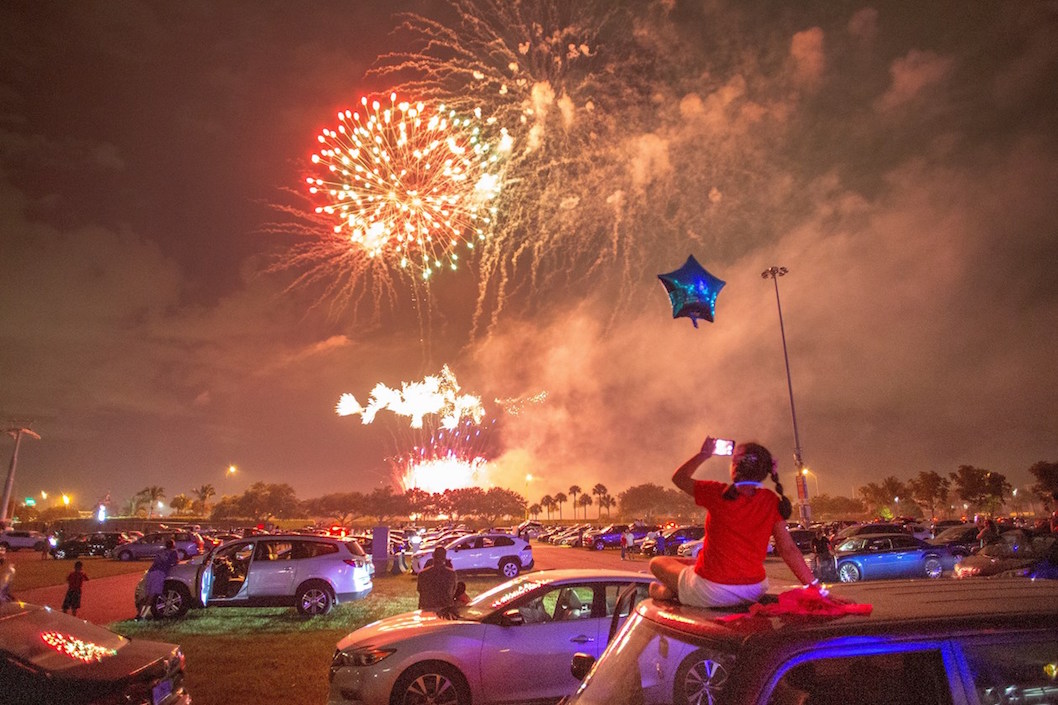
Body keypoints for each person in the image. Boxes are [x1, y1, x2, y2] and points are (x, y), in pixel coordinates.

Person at [649, 437, 818, 608]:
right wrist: (815, 588)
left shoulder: (716, 493)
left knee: (657, 562)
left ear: (735, 466)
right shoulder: (771, 501)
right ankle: (676, 589)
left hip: (711, 592)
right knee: (692, 562)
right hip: (753, 590)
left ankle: (667, 592)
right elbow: (788, 550)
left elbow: (679, 478)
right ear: (764, 471)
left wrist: (704, 454)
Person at [138, 538, 179, 619]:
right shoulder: (173, 552)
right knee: (152, 596)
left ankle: (140, 613)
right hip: (160, 573)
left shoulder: (160, 551)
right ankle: (143, 615)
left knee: (147, 594)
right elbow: (175, 562)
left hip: (151, 572)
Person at [417, 546, 457, 611]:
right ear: (444, 557)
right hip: (445, 608)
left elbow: (420, 590)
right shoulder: (451, 574)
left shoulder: (422, 574)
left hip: (427, 607)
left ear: (433, 556)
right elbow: (453, 591)